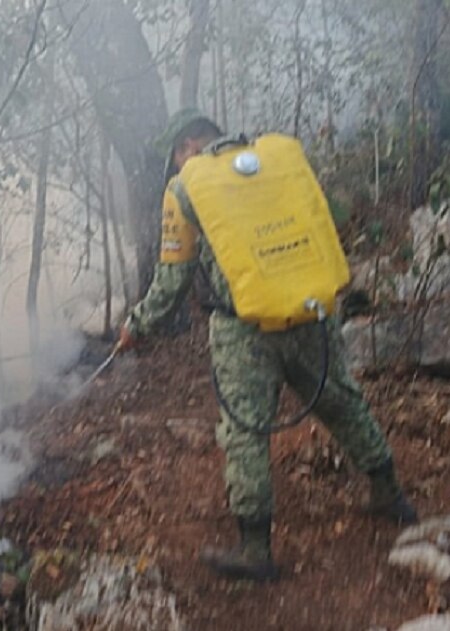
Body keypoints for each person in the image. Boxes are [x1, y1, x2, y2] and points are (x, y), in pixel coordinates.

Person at [118, 109, 417, 582]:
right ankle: (388, 492)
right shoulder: (275, 163)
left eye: (176, 157)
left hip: (244, 329)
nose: (176, 167)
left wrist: (137, 325)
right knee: (340, 400)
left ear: (187, 148)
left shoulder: (186, 187)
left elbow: (173, 278)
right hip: (310, 312)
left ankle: (254, 547)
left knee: (245, 432)